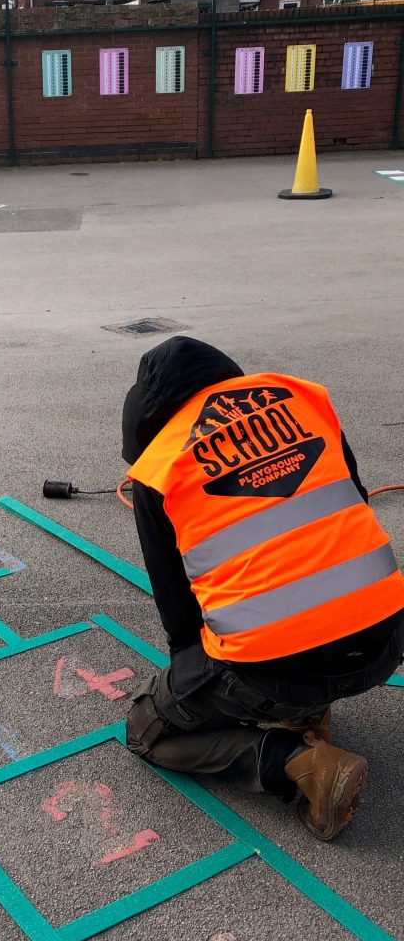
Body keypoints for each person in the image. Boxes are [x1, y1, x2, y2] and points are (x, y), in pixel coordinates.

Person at [122, 336, 404, 840]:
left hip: (279, 672)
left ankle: (296, 762)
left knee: (148, 729)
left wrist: (188, 689)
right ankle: (306, 709)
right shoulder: (305, 404)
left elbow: (181, 621)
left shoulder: (160, 468)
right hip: (388, 639)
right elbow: (355, 503)